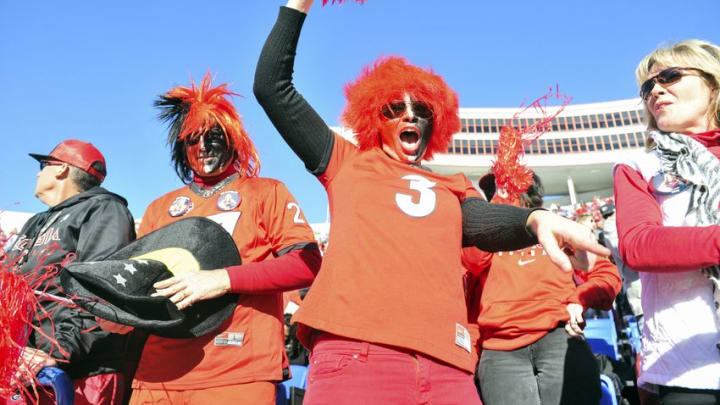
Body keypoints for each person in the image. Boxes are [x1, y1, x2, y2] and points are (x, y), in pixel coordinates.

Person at [253, 1, 610, 403]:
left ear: (434, 121)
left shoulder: (453, 185)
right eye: (394, 109)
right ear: (375, 119)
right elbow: (272, 88)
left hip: (447, 368)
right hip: (358, 357)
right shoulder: (346, 163)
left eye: (421, 109)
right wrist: (297, 5)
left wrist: (534, 220)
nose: (410, 116)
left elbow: (477, 221)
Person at [129, 74, 322, 405]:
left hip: (238, 371)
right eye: (192, 138)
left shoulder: (266, 192)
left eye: (214, 135)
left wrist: (223, 279)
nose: (203, 146)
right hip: (157, 375)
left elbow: (307, 265)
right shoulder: (159, 207)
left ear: (234, 139)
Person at [614, 39, 720, 405]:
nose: (656, 90)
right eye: (647, 86)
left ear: (712, 82)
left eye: (670, 76)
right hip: (690, 368)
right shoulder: (639, 167)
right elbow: (639, 246)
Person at [2, 139, 136, 405]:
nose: (38, 173)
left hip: (79, 374)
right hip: (25, 370)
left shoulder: (104, 209)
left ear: (62, 169)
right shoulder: (35, 221)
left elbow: (101, 289)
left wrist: (55, 351)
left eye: (44, 165)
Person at [470, 172, 621, 405]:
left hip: (559, 336)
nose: (499, 193)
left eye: (508, 185)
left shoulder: (559, 229)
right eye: (495, 189)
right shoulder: (480, 241)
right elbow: (467, 282)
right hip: (500, 349)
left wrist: (580, 299)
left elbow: (606, 274)